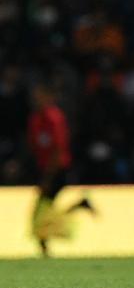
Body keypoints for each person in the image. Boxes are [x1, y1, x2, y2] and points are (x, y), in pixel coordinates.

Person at [27, 84, 93, 256]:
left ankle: (44, 247)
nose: (36, 99)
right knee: (44, 212)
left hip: (57, 171)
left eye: (40, 95)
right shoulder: (36, 119)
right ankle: (78, 207)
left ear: (49, 97)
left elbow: (58, 149)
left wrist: (48, 178)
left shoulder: (53, 118)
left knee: (40, 213)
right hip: (45, 170)